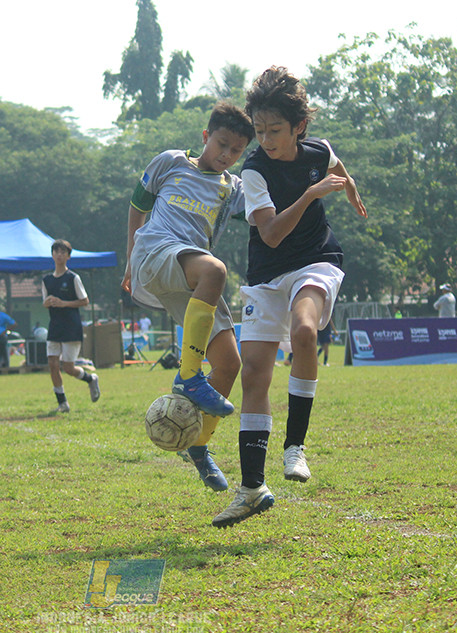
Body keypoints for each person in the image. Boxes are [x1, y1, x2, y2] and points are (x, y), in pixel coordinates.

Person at [213, 67, 367, 528]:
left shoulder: (317, 151)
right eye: (259, 130)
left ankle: (295, 449)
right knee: (255, 374)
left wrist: (351, 190)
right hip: (267, 272)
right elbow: (274, 234)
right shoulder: (255, 170)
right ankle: (251, 489)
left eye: (274, 130)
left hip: (317, 261)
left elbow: (334, 166)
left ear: (299, 126)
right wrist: (311, 193)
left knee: (304, 330)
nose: (265, 139)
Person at [123, 101, 255, 492]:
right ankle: (187, 377)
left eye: (236, 150)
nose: (227, 154)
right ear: (205, 137)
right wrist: (130, 257)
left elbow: (266, 212)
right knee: (215, 268)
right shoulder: (171, 162)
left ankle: (198, 447)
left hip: (190, 276)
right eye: (221, 144)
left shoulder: (233, 189)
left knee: (231, 365)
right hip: (155, 253)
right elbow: (137, 206)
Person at [43, 239, 100, 412]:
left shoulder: (73, 278)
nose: (59, 255)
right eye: (56, 252)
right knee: (53, 364)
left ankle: (90, 379)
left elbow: (84, 300)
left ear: (68, 256)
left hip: (71, 326)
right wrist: (49, 302)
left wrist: (63, 303)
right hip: (54, 326)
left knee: (68, 367)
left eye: (63, 252)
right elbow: (44, 302)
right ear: (52, 255)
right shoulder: (46, 280)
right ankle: (62, 402)